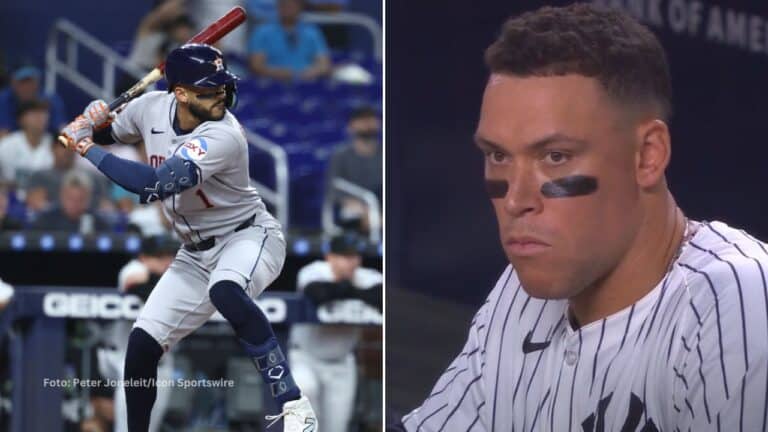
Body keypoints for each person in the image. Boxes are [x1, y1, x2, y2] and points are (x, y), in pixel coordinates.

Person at [398, 4, 768, 431]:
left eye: (555, 156)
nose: (516, 200)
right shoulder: (517, 298)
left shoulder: (738, 300)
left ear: (647, 156)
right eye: (498, 155)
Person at [60, 43, 317, 431]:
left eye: (222, 88)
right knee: (142, 346)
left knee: (226, 290)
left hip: (247, 237)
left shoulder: (224, 134)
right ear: (179, 93)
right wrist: (94, 119)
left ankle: (294, 403)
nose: (221, 97)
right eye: (208, 90)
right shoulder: (150, 107)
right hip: (193, 253)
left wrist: (85, 144)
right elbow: (113, 132)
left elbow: (152, 186)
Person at [290, 232, 382, 432]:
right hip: (306, 359)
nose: (352, 262)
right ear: (330, 256)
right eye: (346, 256)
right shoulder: (313, 272)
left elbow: (380, 295)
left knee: (336, 428)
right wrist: (354, 291)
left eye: (356, 256)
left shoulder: (368, 276)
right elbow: (317, 293)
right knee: (304, 407)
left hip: (341, 362)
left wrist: (344, 289)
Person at [325, 106, 381, 233]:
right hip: (354, 209)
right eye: (362, 120)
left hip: (381, 208)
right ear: (351, 126)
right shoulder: (340, 156)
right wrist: (363, 208)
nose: (367, 124)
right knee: (352, 213)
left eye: (370, 120)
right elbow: (333, 188)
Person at [248, 0, 331, 81]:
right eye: (284, 4)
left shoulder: (312, 32)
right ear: (278, 6)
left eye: (292, 5)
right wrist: (279, 73)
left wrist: (311, 72)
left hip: (306, 84)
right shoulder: (262, 32)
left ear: (300, 7)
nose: (288, 8)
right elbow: (256, 65)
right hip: (271, 85)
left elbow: (324, 64)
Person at [31, 170, 111, 233]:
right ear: (62, 195)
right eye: (70, 198)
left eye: (80, 199)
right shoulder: (45, 221)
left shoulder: (99, 224)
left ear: (88, 198)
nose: (75, 204)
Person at [0, 66, 66, 136]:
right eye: (22, 82)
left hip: (45, 144)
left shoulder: (50, 99)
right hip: (12, 143)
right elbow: (3, 132)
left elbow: (62, 129)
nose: (27, 87)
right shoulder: (3, 99)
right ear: (13, 84)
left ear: (37, 83)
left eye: (30, 82)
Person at [0, 99, 54, 185]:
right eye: (34, 113)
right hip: (11, 196)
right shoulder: (7, 145)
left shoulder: (55, 145)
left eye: (43, 113)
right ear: (22, 119)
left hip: (46, 197)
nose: (40, 117)